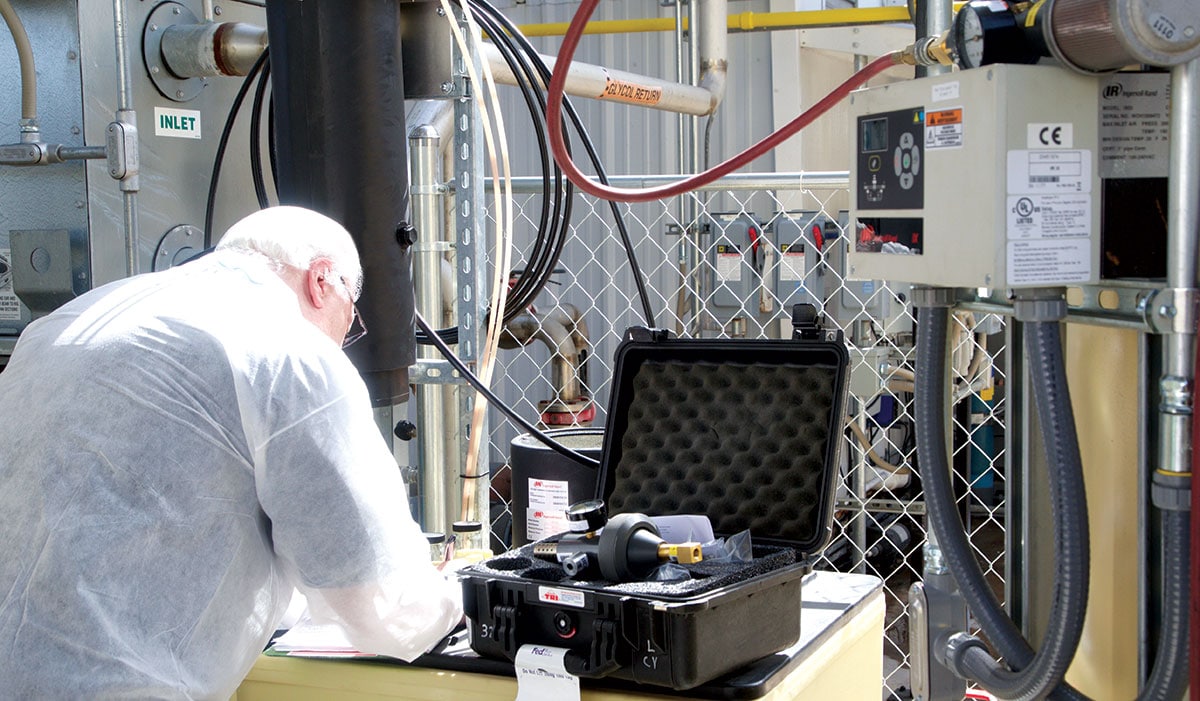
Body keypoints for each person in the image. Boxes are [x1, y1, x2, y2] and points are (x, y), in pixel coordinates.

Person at [0, 206, 463, 698]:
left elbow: (148, 527)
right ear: (322, 281)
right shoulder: (289, 352)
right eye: (348, 321)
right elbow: (379, 603)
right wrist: (453, 600)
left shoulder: (74, 319)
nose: (342, 341)